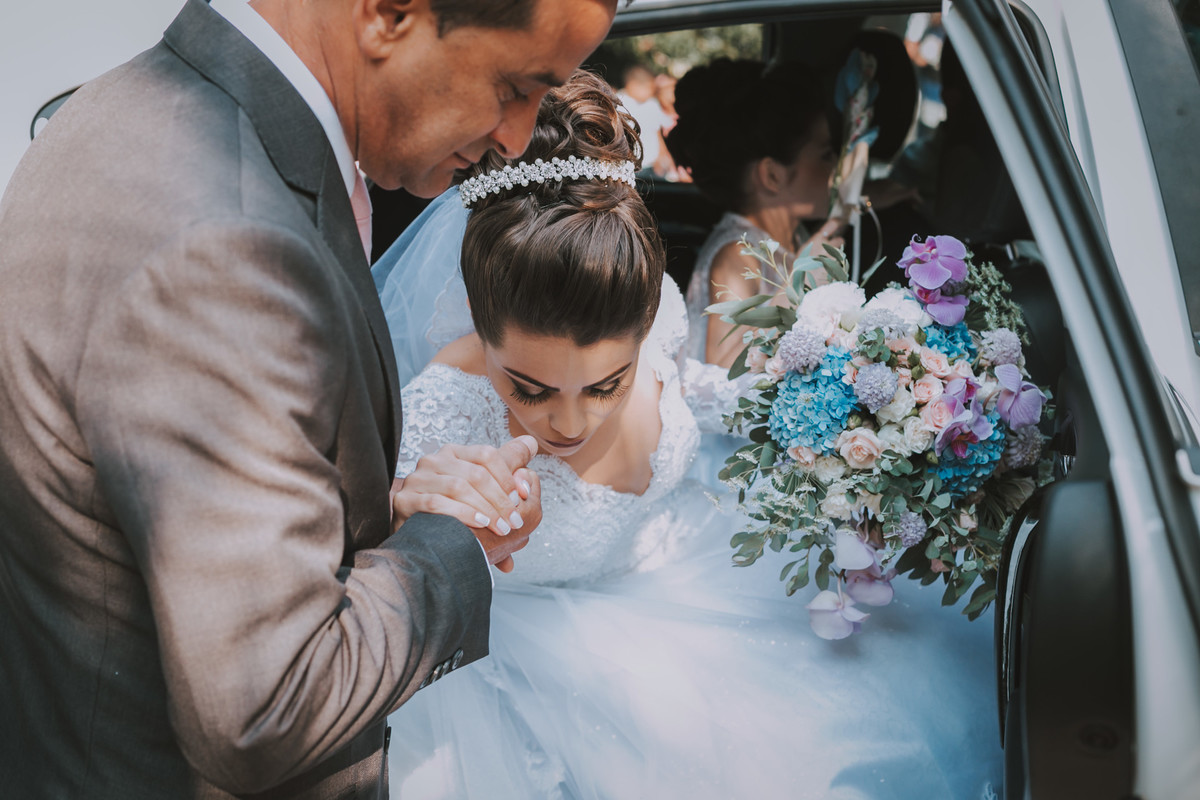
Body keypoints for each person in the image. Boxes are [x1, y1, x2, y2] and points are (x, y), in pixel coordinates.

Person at [0, 0, 616, 796]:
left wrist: (387, 515)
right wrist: (452, 542)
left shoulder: (126, 111)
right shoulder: (225, 237)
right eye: (514, 87)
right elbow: (268, 705)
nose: (519, 137)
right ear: (389, 13)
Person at [374, 69, 1003, 800]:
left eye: (607, 384)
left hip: (703, 587)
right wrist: (423, 519)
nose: (570, 422)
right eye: (530, 389)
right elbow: (380, 561)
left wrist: (847, 412)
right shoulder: (439, 415)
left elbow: (701, 392)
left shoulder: (666, 317)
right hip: (537, 681)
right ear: (480, 330)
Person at [664, 59, 846, 368]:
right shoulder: (738, 256)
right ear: (772, 175)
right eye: (826, 154)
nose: (836, 168)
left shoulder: (796, 235)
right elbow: (724, 367)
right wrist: (798, 284)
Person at [617, 62, 678, 179]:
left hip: (651, 165)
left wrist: (662, 155)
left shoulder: (652, 104)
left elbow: (657, 132)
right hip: (627, 165)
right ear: (633, 85)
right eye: (649, 88)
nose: (651, 92)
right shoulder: (619, 103)